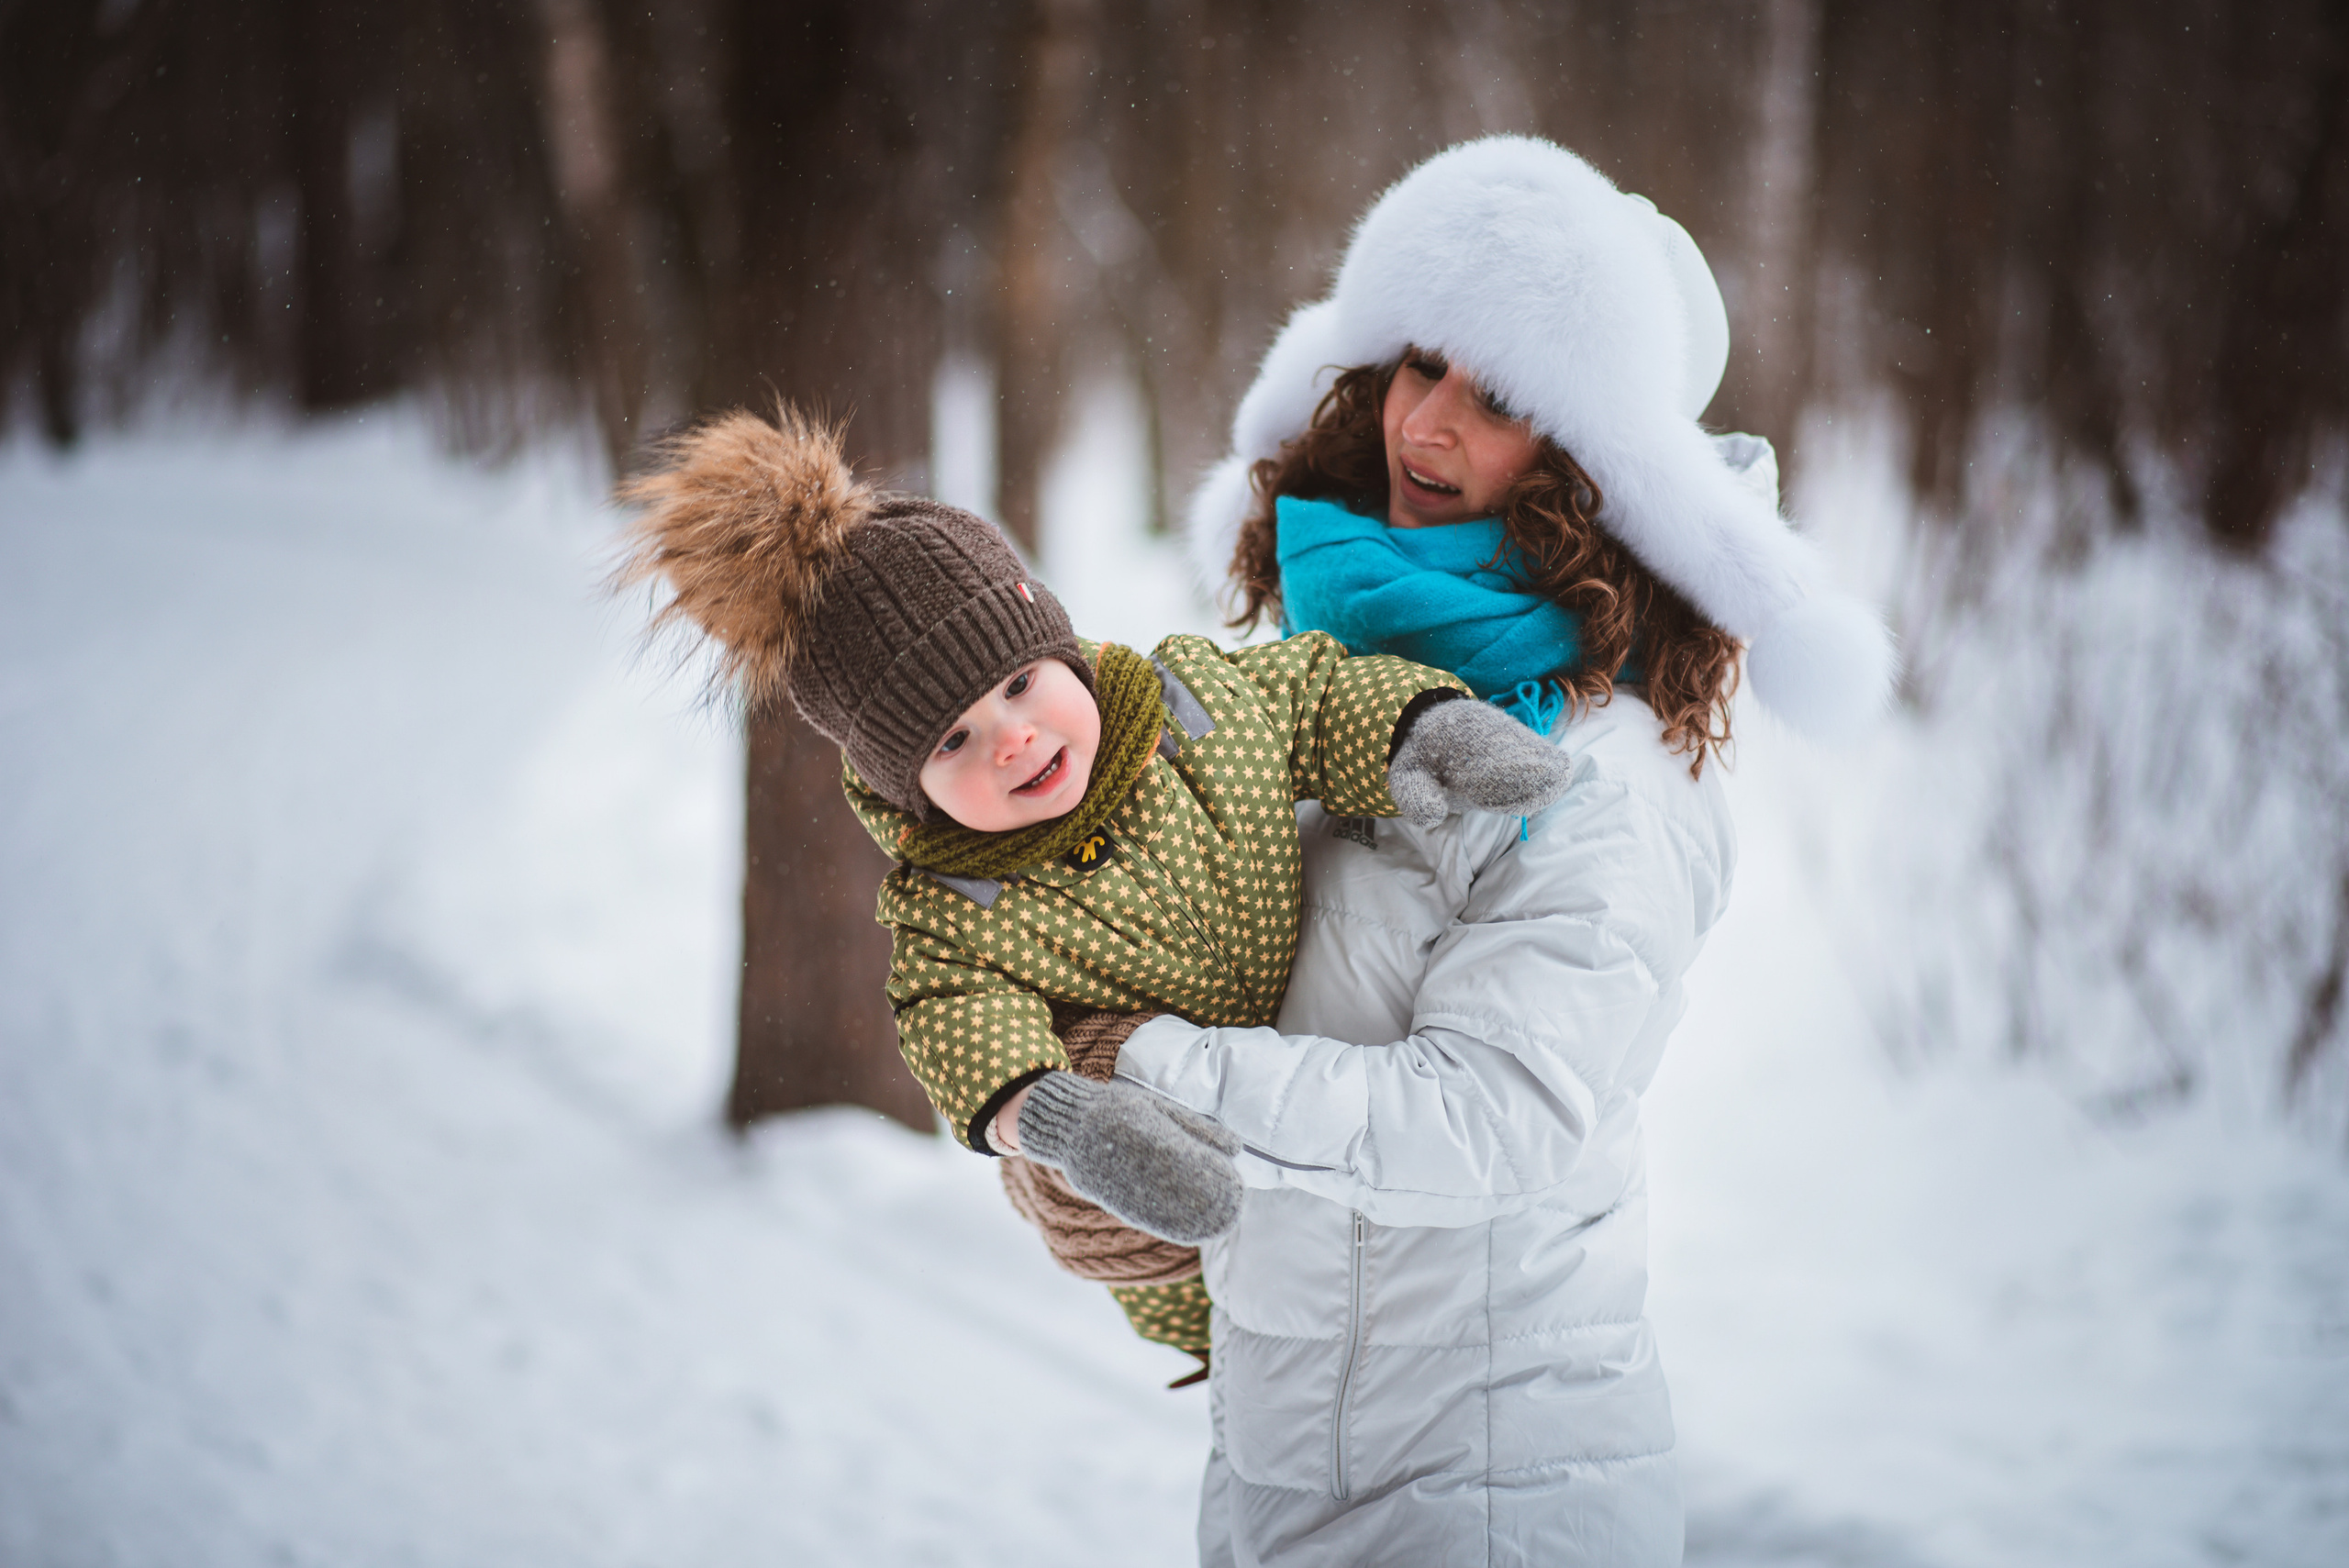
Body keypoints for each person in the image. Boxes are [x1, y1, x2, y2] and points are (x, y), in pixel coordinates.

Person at [1102, 136, 1895, 1564]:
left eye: (1505, 395)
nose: (1431, 420)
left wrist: (1153, 1068)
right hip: (1286, 1466)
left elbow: (1488, 1120)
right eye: (1423, 363)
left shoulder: (1603, 771)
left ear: (1594, 469)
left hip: (1491, 1493)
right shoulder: (1320, 676)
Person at [611, 403, 1576, 1360]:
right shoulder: (954, 912)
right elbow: (957, 1022)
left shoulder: (1193, 705)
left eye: (1020, 684)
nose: (1013, 737)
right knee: (1255, 1337)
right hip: (1152, 1210)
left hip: (1323, 1119)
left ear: (1058, 642)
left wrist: (1425, 729)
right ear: (909, 788)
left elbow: (1315, 694)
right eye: (954, 740)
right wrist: (1065, 1122)